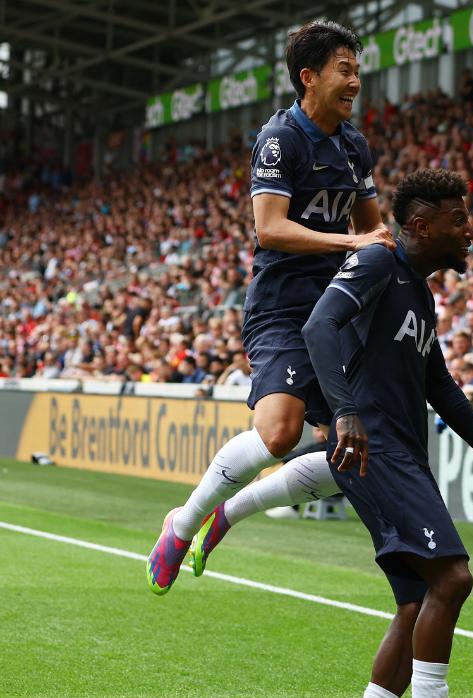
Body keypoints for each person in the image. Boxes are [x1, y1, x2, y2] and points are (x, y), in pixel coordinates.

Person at [302, 168, 473, 698]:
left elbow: (437, 383)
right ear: (419, 225)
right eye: (457, 220)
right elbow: (318, 327)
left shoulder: (419, 291)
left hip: (400, 449)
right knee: (453, 578)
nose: (470, 230)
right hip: (372, 446)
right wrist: (345, 412)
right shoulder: (380, 265)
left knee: (416, 603)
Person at [147, 20, 395, 595]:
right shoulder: (281, 138)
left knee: (359, 451)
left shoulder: (354, 146)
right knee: (280, 431)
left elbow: (371, 229)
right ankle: (182, 524)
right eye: (344, 69)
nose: (355, 79)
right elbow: (270, 228)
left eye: (357, 69)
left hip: (336, 311)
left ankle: (229, 513)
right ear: (308, 77)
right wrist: (351, 244)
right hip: (284, 306)